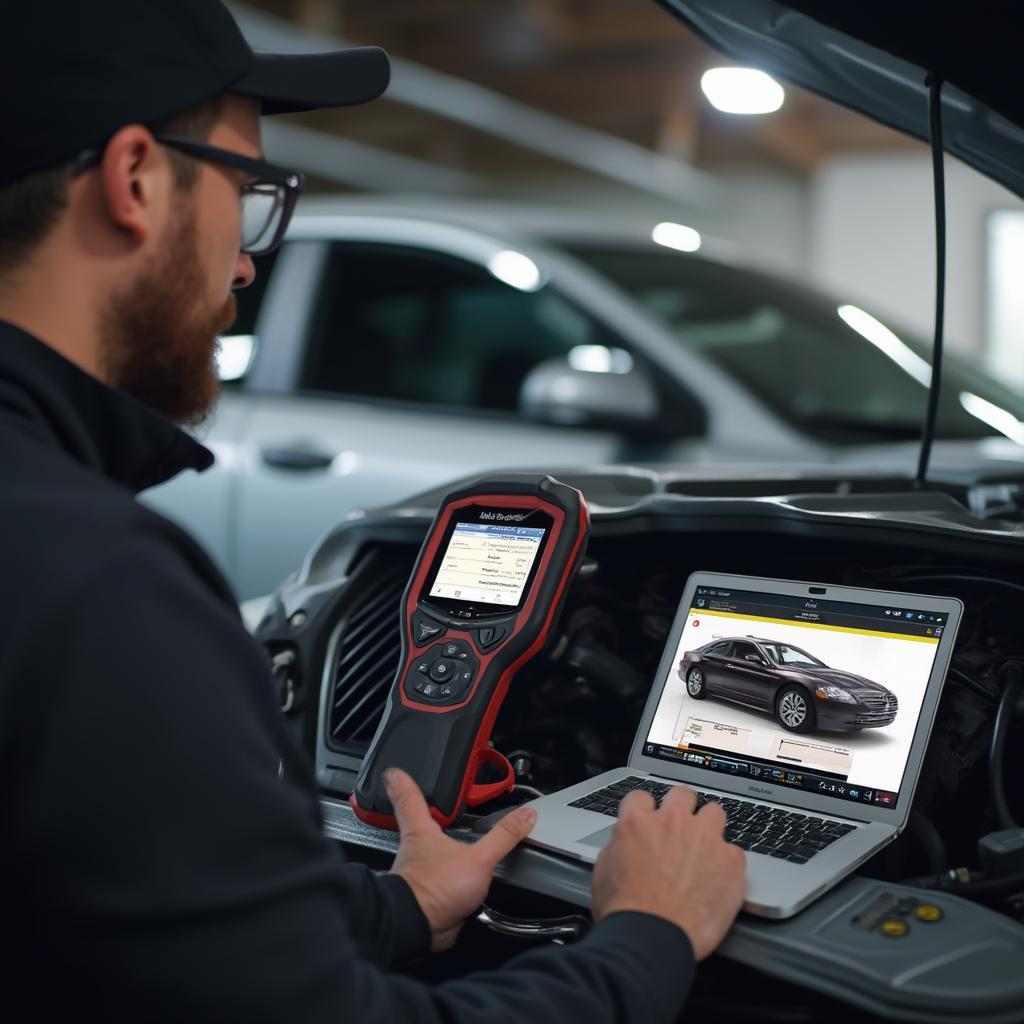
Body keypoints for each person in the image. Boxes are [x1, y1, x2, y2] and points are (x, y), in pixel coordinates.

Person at [0, 2, 746, 1020]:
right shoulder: (102, 590)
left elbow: (117, 883)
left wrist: (397, 909)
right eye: (248, 191)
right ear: (134, 180)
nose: (248, 259)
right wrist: (647, 933)